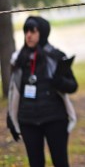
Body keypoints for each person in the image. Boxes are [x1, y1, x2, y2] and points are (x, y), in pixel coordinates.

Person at [7, 16, 77, 167]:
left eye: (33, 31)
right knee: (36, 163)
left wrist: (59, 81)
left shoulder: (57, 57)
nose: (28, 36)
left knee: (60, 162)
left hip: (55, 119)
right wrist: (10, 119)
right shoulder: (18, 59)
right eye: (26, 31)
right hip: (28, 121)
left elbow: (73, 86)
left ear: (43, 33)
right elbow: (13, 91)